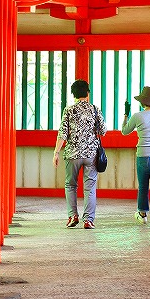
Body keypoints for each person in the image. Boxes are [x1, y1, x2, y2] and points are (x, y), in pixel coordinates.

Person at [53, 79, 107, 230]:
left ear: (73, 94)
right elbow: (103, 131)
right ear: (87, 94)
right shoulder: (95, 109)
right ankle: (88, 220)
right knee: (90, 187)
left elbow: (62, 133)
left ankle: (72, 216)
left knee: (70, 185)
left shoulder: (68, 110)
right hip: (91, 154)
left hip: (73, 154)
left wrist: (56, 152)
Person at [121, 85, 150, 226]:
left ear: (143, 102)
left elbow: (124, 131)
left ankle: (142, 214)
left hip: (144, 155)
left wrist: (125, 115)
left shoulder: (138, 116)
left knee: (143, 186)